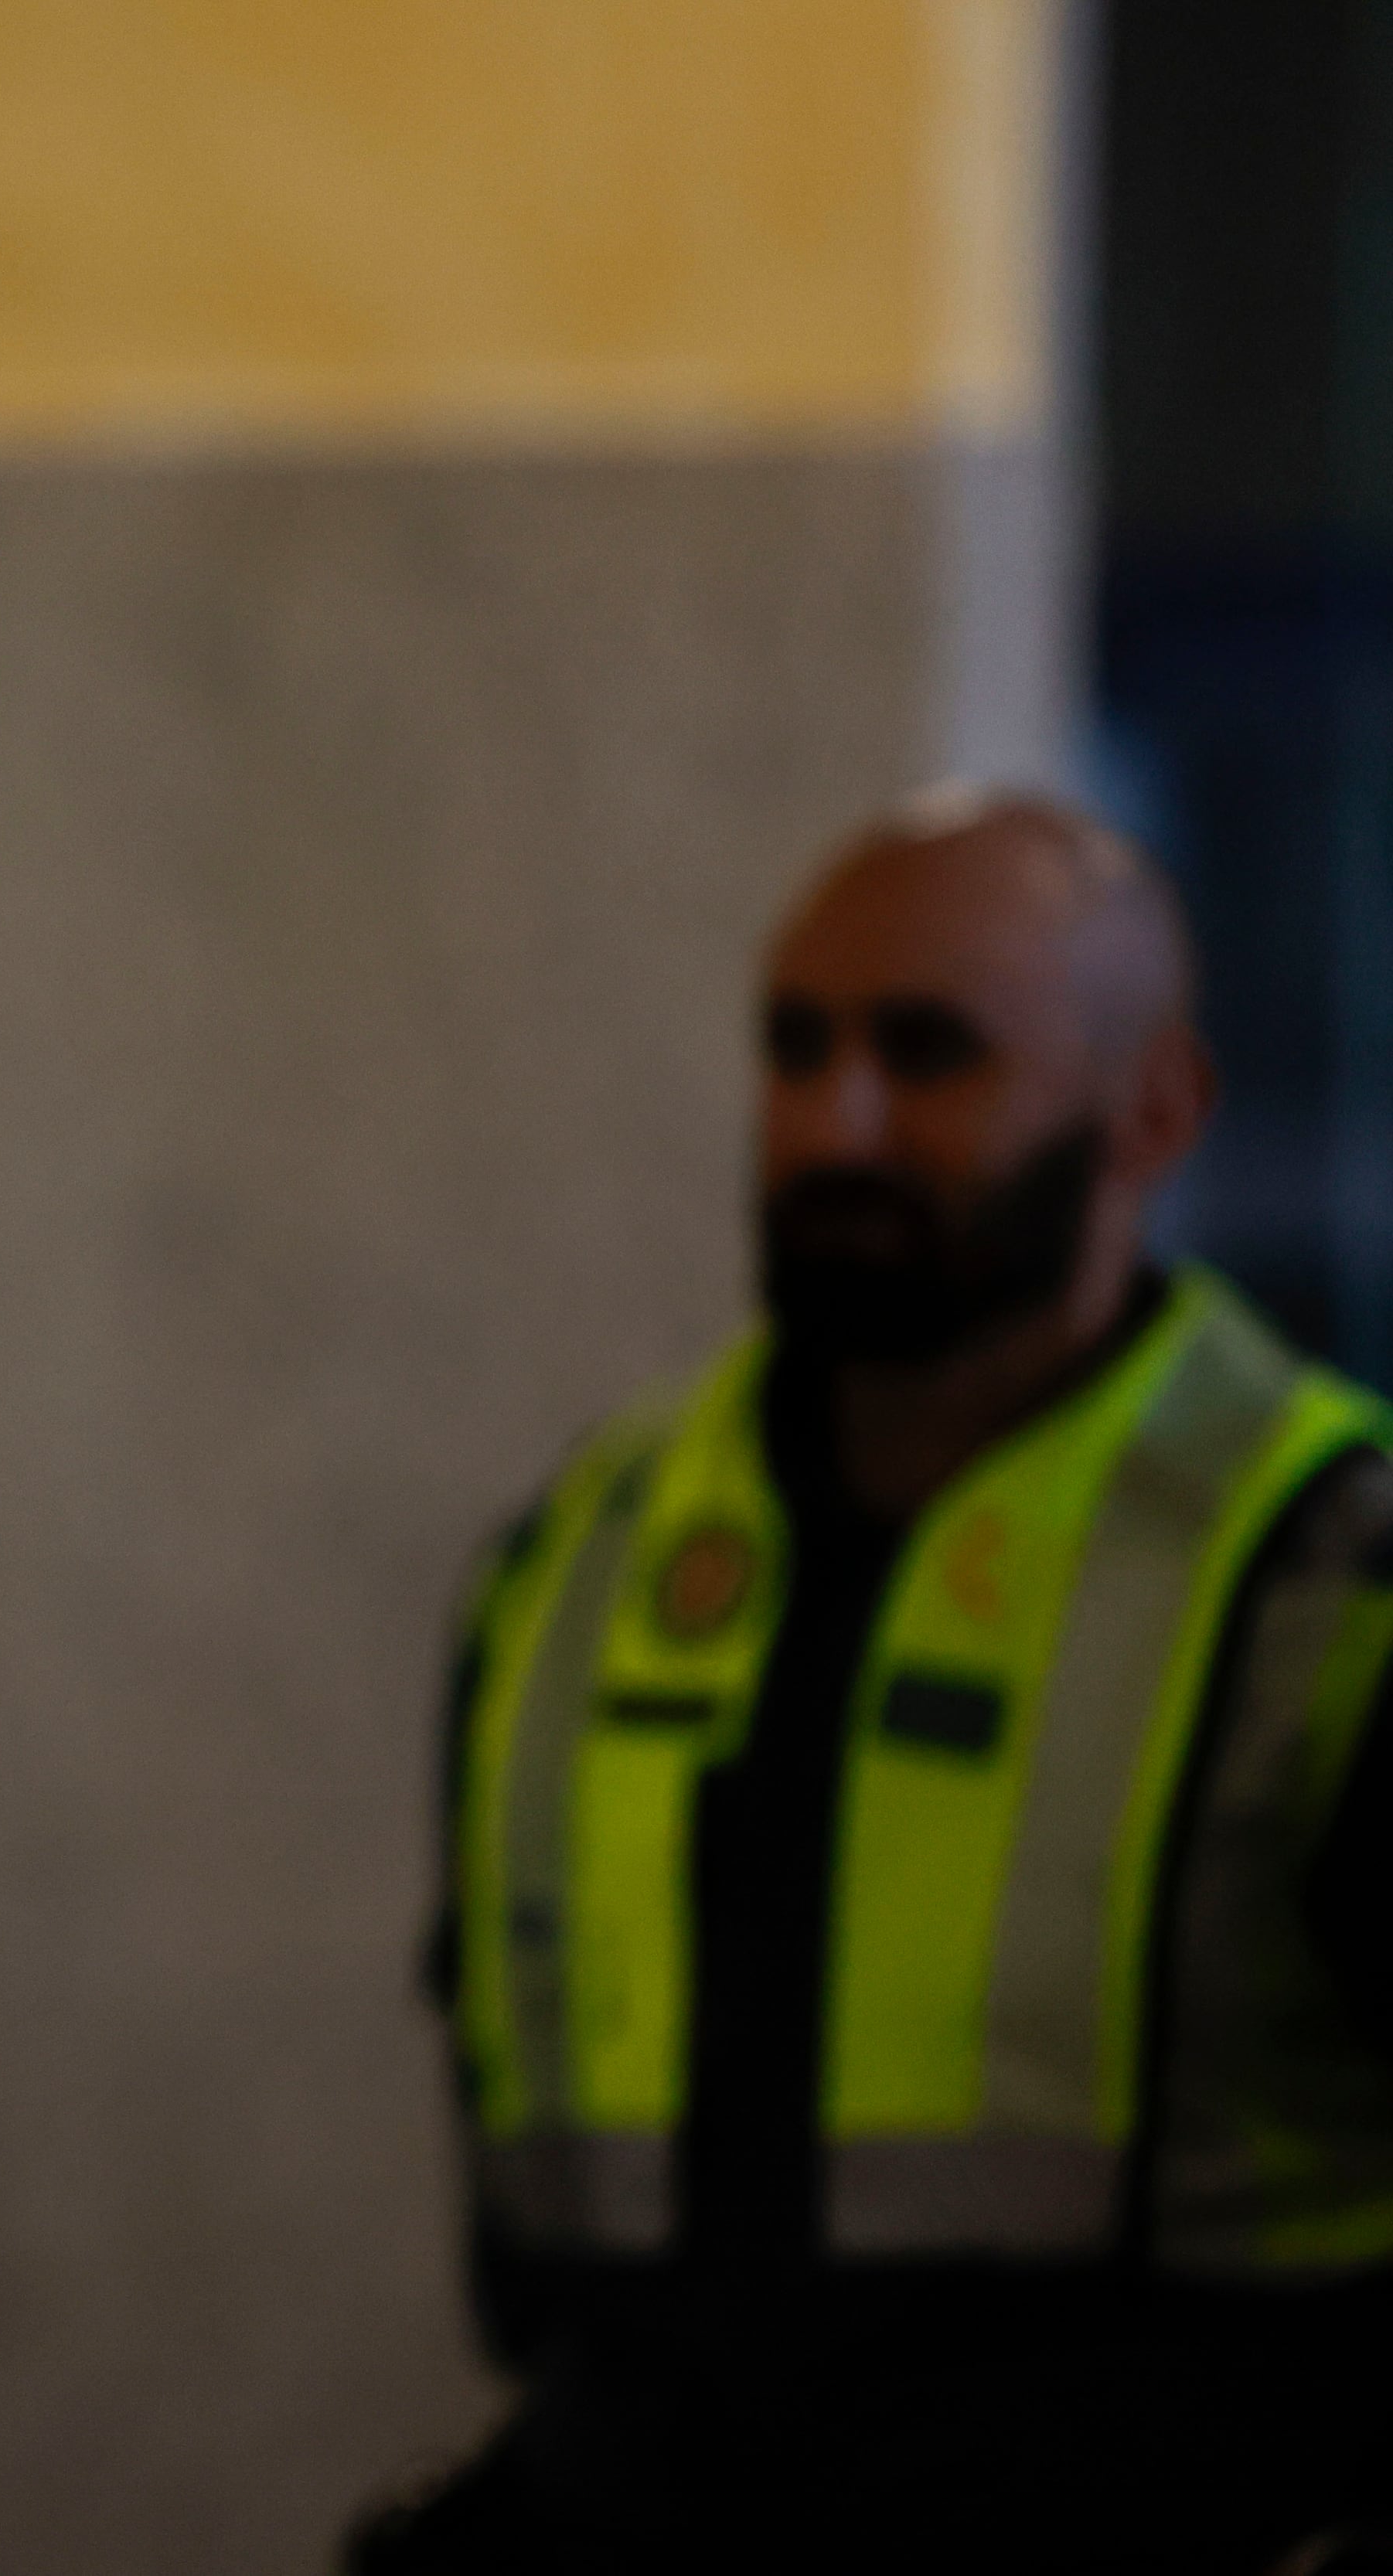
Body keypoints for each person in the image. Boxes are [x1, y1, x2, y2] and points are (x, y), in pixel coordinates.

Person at [358, 791, 1393, 2574]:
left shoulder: (1318, 1571)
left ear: (1153, 1108)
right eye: (793, 1043)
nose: (832, 1119)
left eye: (927, 1052)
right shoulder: (588, 1550)